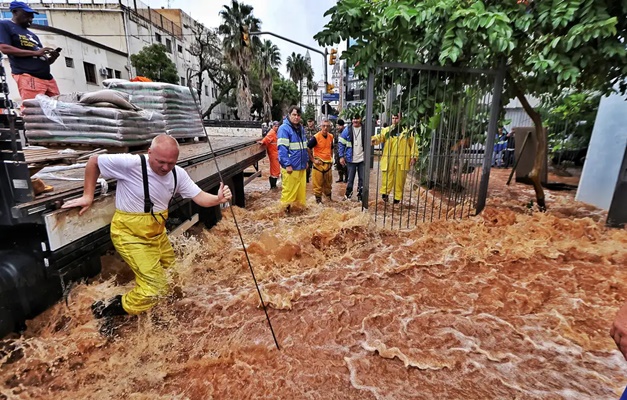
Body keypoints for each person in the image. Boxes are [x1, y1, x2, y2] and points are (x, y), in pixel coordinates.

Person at [62, 134, 232, 325]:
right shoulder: (131, 164)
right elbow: (94, 162)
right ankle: (105, 309)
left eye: (171, 163)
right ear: (149, 152)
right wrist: (88, 195)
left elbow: (200, 197)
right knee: (156, 287)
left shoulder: (177, 173)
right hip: (129, 233)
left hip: (157, 234)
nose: (166, 168)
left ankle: (161, 314)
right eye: (161, 162)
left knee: (175, 278)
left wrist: (218, 199)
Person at [0, 1, 61, 102]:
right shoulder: (5, 25)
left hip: (48, 78)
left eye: (32, 17)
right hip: (29, 76)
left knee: (58, 108)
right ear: (15, 12)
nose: (30, 19)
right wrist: (35, 53)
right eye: (27, 15)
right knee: (34, 109)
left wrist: (52, 57)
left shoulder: (32, 35)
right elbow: (4, 48)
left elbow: (41, 58)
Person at [371, 112, 418, 204]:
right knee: (386, 180)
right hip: (389, 160)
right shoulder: (387, 130)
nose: (394, 120)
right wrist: (374, 139)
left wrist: (414, 157)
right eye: (393, 118)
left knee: (399, 182)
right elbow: (380, 137)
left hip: (402, 160)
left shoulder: (408, 132)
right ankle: (384, 199)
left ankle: (397, 202)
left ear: (401, 119)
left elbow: (413, 145)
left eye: (396, 118)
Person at [277, 106, 308, 209]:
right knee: (288, 195)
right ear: (289, 115)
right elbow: (282, 149)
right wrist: (287, 164)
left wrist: (306, 160)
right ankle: (285, 217)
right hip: (291, 168)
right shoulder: (284, 129)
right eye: (294, 115)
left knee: (300, 196)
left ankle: (298, 219)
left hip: (301, 167)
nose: (296, 117)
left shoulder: (301, 128)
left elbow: (304, 146)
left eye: (298, 115)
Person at [338, 114, 366, 202]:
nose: (355, 120)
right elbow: (341, 144)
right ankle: (348, 194)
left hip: (362, 159)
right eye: (353, 119)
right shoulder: (347, 130)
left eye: (357, 118)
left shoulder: (365, 129)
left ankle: (361, 195)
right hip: (351, 159)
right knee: (350, 179)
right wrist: (341, 156)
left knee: (362, 178)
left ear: (361, 119)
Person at [307, 119, 334, 203]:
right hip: (318, 164)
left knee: (328, 185)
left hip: (328, 164)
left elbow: (331, 148)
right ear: (320, 127)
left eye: (327, 126)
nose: (325, 128)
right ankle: (318, 203)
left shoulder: (331, 136)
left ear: (329, 127)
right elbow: (307, 148)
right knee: (317, 186)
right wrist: (313, 160)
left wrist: (332, 158)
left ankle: (329, 201)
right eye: (324, 126)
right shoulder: (316, 137)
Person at [258, 120, 280, 189]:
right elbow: (266, 139)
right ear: (272, 126)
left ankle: (274, 186)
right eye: (275, 126)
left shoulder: (275, 133)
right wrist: (262, 142)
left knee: (276, 170)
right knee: (275, 171)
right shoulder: (272, 132)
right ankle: (273, 186)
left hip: (276, 154)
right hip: (273, 155)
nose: (277, 127)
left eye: (277, 126)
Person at [333, 119, 347, 183]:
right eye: (338, 125)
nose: (339, 127)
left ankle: (346, 178)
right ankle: (340, 178)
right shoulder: (336, 132)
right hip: (337, 151)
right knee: (338, 165)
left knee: (345, 165)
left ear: (343, 126)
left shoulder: (346, 131)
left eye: (340, 126)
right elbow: (335, 141)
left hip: (344, 151)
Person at [304, 118, 318, 183]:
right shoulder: (304, 130)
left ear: (313, 122)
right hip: (307, 151)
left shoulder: (317, 130)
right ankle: (306, 179)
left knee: (316, 165)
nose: (309, 123)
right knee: (307, 166)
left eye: (311, 121)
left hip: (315, 150)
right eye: (308, 122)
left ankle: (316, 179)